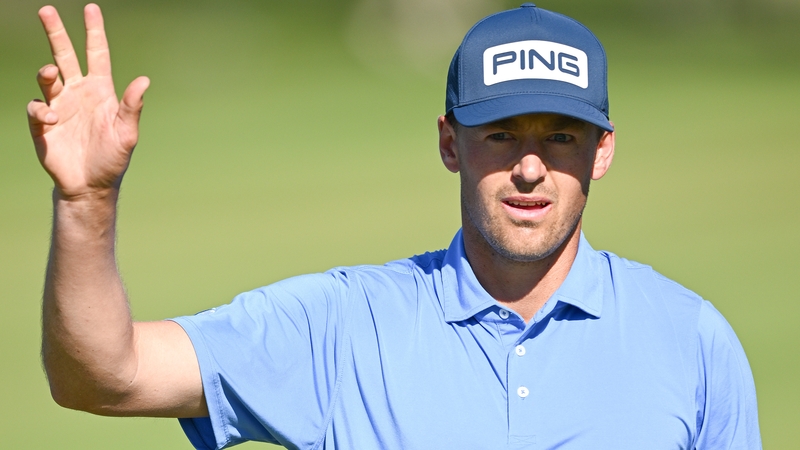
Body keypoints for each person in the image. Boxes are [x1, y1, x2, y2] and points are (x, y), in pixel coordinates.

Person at [28, 2, 761, 449]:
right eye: (501, 135)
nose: (531, 168)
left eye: (560, 137)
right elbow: (104, 376)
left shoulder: (690, 340)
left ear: (602, 152)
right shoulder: (341, 327)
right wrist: (86, 204)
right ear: (451, 144)